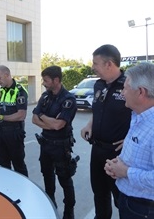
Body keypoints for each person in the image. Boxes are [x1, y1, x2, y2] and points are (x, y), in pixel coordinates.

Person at [80, 44, 132, 219]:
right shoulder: (98, 85)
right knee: (99, 194)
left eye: (96, 63)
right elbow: (98, 110)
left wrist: (131, 139)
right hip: (98, 150)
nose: (93, 67)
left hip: (120, 154)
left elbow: (146, 114)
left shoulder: (129, 84)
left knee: (122, 199)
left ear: (109, 64)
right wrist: (89, 125)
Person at [104, 62, 154, 219]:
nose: (122, 92)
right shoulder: (138, 116)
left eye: (125, 88)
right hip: (131, 201)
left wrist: (125, 172)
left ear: (140, 92)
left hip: (144, 208)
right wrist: (117, 165)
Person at [32, 66, 77, 219]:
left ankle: (69, 211)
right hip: (45, 145)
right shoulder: (45, 96)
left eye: (46, 80)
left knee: (65, 180)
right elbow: (33, 119)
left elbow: (59, 125)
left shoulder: (68, 99)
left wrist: (42, 115)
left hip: (61, 147)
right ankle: (51, 205)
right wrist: (49, 121)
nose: (43, 83)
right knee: (47, 177)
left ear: (56, 80)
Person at [0, 65, 28, 177]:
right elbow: (0, 107)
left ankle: (23, 190)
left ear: (7, 75)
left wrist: (1, 117)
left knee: (18, 165)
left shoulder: (19, 90)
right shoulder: (2, 90)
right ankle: (7, 189)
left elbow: (21, 115)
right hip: (2, 132)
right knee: (3, 163)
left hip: (15, 133)